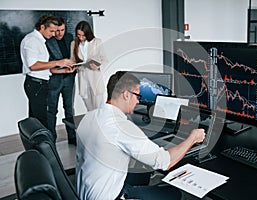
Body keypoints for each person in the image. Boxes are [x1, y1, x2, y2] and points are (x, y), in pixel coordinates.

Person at [76, 71, 206, 200]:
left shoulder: (89, 117)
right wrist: (193, 137)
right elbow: (165, 162)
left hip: (87, 192)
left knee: (142, 168)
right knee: (173, 194)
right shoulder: (121, 127)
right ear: (126, 95)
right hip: (111, 196)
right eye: (137, 95)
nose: (138, 101)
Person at [21, 14, 75, 128]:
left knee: (37, 120)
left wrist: (64, 71)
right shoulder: (32, 40)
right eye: (51, 31)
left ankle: (40, 145)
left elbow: (44, 68)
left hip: (40, 83)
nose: (54, 34)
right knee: (40, 121)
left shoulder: (40, 40)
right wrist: (58, 62)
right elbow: (33, 66)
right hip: (36, 84)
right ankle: (44, 145)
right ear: (42, 27)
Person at [46, 16, 77, 144]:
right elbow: (47, 64)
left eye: (62, 30)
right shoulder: (47, 41)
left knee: (69, 108)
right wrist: (62, 68)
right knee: (52, 110)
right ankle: (51, 139)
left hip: (69, 79)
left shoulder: (70, 37)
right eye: (57, 31)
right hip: (54, 79)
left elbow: (74, 55)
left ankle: (72, 136)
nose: (59, 33)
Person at [70, 20, 107, 111]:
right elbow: (72, 60)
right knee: (89, 109)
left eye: (83, 35)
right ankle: (92, 124)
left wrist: (98, 66)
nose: (81, 38)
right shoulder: (74, 44)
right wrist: (75, 66)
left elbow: (104, 59)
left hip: (95, 79)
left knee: (99, 109)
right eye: (78, 35)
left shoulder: (97, 42)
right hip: (83, 79)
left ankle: (100, 125)